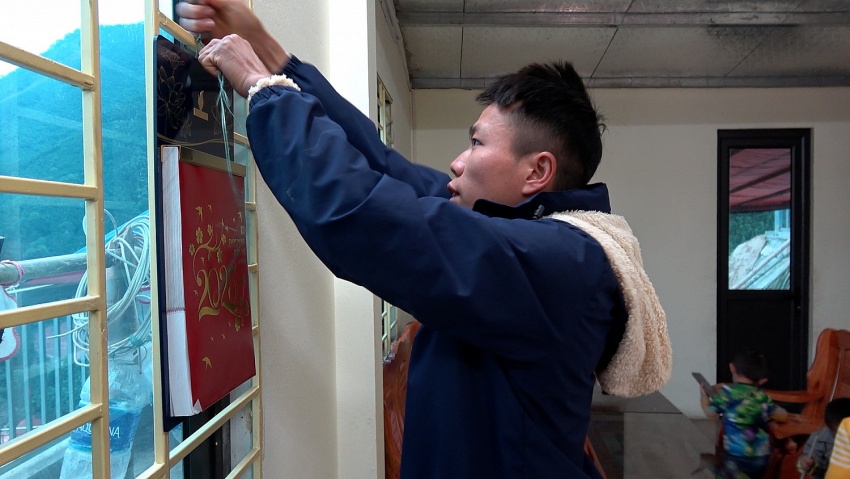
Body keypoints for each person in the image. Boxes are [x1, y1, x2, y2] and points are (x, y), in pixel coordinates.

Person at [176, 1, 671, 477]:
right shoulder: (512, 233)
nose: (457, 162)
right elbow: (380, 165)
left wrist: (264, 91)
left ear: (536, 171)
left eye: (476, 143)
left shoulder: (560, 263)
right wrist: (271, 54)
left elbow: (367, 215)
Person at [701, 350, 788, 478]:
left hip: (735, 455)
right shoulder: (761, 396)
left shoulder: (727, 393)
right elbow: (783, 415)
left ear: (732, 368)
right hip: (761, 457)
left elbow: (710, 414)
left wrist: (704, 397)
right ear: (762, 380)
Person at [797, 398, 850, 479]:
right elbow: (813, 459)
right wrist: (807, 463)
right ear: (831, 428)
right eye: (839, 430)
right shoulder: (820, 438)